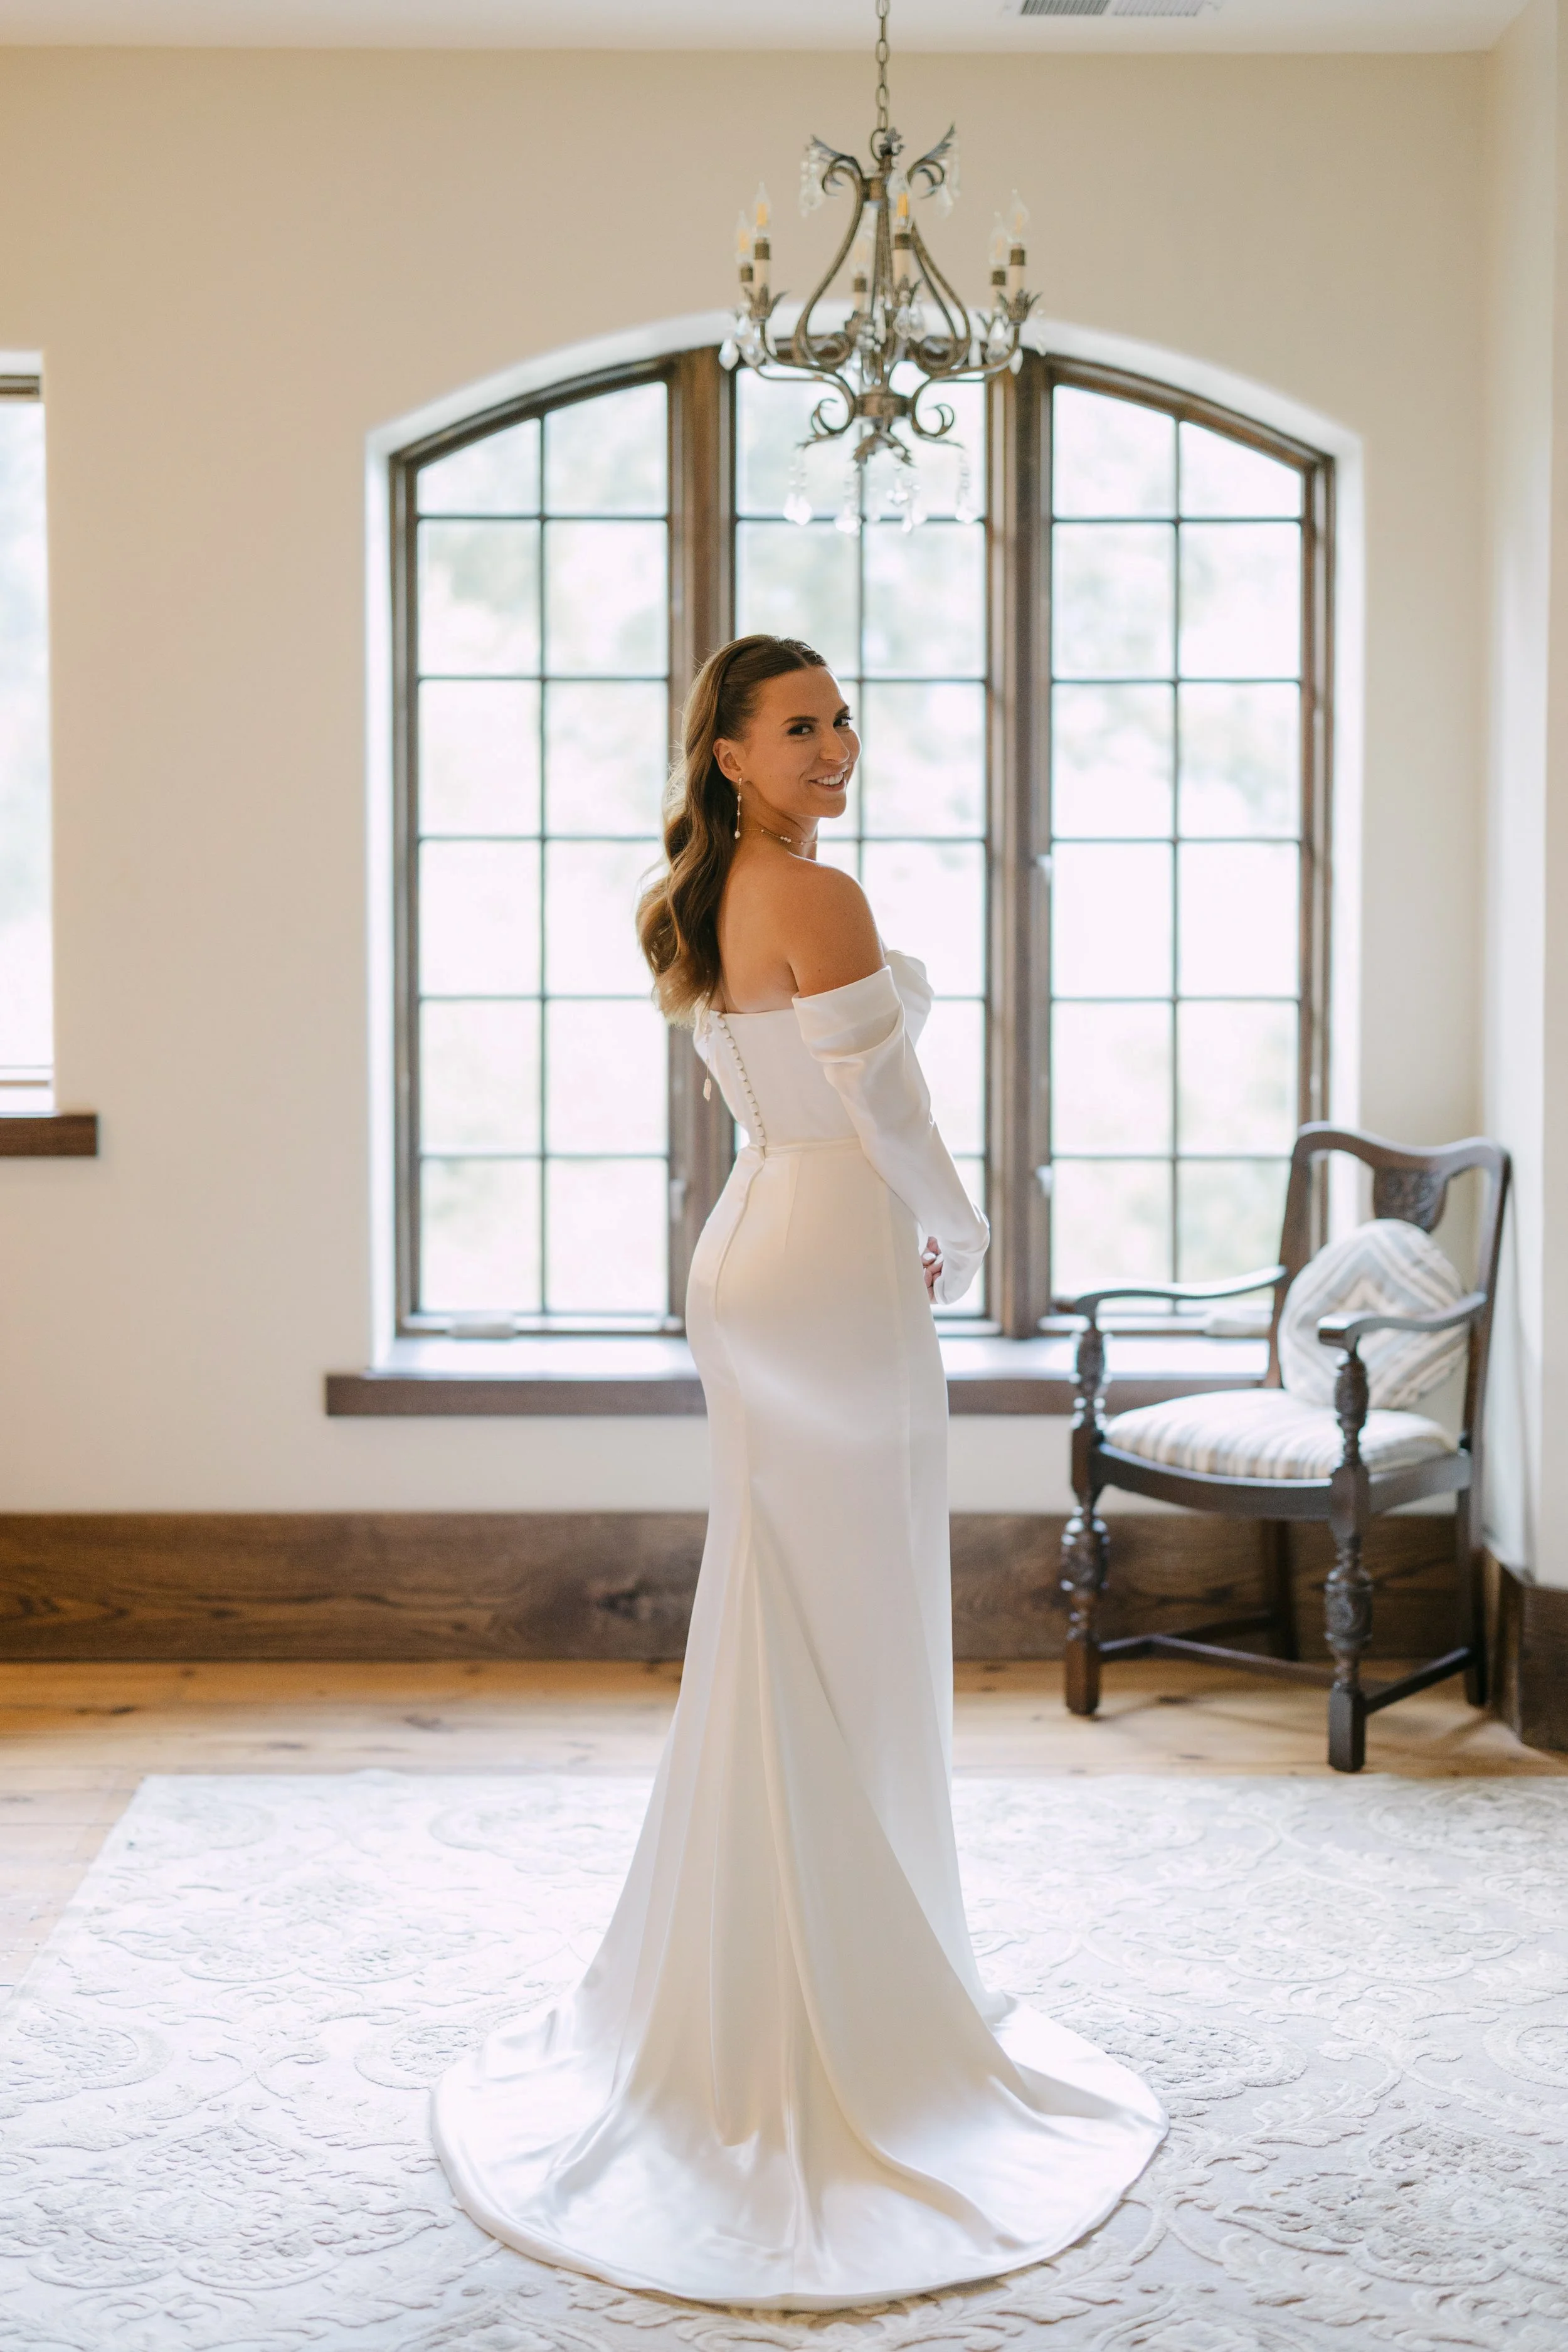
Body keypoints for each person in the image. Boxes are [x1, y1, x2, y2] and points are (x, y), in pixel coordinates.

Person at [433, 633, 1166, 2309]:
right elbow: (887, 1104)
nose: (836, 742)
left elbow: (796, 1098)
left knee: (791, 1611)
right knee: (859, 1611)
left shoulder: (701, 894)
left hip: (757, 1238)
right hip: (829, 1254)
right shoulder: (810, 896)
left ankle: (766, 1973)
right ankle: (848, 1993)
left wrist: (892, 1212)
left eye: (842, 716)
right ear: (728, 755)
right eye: (797, 725)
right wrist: (963, 1226)